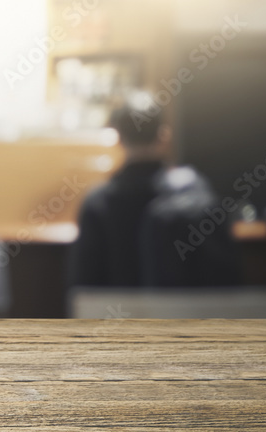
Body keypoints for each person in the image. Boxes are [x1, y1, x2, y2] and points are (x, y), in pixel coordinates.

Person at [69, 92, 240, 287]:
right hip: (183, 316)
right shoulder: (193, 193)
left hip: (117, 316)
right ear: (164, 135)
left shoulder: (98, 203)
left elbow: (84, 286)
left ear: (118, 138)